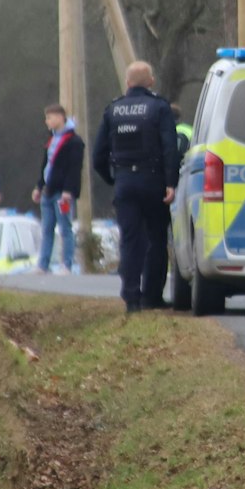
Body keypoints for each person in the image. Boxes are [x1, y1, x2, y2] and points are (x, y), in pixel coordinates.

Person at [91, 61, 180, 313]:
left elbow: (98, 156)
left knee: (130, 240)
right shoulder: (159, 107)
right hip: (153, 183)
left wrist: (114, 179)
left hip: (124, 183)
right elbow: (169, 148)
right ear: (151, 81)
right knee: (156, 239)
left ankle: (131, 297)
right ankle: (151, 297)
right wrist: (171, 182)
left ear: (128, 82)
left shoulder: (113, 110)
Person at [31, 104, 84, 274]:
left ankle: (66, 264)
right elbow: (45, 165)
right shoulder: (51, 139)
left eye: (49, 118)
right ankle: (43, 264)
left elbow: (74, 169)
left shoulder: (74, 142)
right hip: (48, 190)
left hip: (62, 193)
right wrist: (39, 186)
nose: (47, 121)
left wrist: (69, 190)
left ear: (60, 117)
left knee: (65, 228)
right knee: (47, 229)